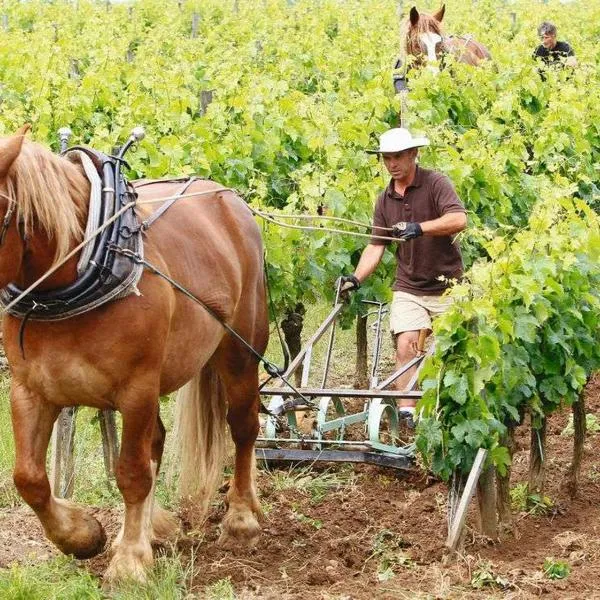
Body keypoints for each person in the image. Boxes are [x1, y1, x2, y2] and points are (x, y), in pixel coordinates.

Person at [337, 128, 467, 427]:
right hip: (408, 286)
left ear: (412, 155)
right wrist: (355, 279)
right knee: (407, 343)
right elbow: (376, 246)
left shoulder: (436, 183)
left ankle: (449, 409)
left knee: (449, 353)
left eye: (397, 157)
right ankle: (408, 413)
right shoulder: (385, 200)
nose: (391, 164)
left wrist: (419, 227)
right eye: (386, 158)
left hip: (448, 286)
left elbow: (459, 219)